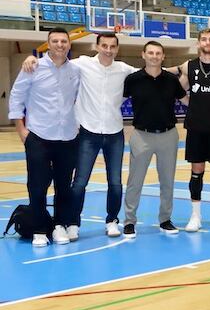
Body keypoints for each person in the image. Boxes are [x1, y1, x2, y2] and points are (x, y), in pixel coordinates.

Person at [20, 32, 136, 239]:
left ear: (117, 49)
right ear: (97, 46)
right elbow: (56, 59)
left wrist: (183, 69)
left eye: (112, 46)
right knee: (79, 182)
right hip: (87, 132)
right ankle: (72, 222)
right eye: (104, 46)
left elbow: (153, 70)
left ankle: (112, 220)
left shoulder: (124, 69)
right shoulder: (81, 64)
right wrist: (32, 59)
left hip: (114, 132)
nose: (108, 50)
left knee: (116, 182)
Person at [8, 28, 80, 247]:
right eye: (55, 41)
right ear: (47, 44)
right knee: (37, 185)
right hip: (39, 136)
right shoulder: (33, 67)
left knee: (63, 186)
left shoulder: (76, 70)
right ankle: (39, 228)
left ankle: (59, 226)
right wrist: (21, 130)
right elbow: (16, 97)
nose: (60, 44)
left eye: (63, 41)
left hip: (67, 137)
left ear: (69, 44)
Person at [168, 28, 210, 232]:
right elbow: (178, 90)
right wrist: (192, 104)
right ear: (198, 43)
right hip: (196, 128)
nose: (207, 42)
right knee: (196, 171)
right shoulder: (189, 67)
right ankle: (195, 216)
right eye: (204, 39)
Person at [121, 41, 187, 239]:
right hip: (141, 135)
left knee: (167, 181)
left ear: (163, 57)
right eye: (150, 52)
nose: (154, 56)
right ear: (143, 55)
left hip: (168, 135)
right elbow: (116, 101)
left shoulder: (171, 80)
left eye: (158, 53)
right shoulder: (132, 79)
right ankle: (130, 221)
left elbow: (186, 100)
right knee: (135, 181)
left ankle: (165, 220)